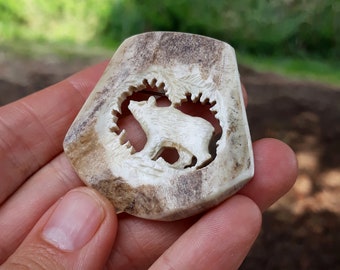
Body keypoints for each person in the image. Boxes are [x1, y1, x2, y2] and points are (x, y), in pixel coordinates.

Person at [0, 61, 298, 269]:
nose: (137, 110)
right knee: (183, 151)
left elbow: (157, 141)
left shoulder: (160, 120)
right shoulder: (153, 118)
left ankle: (198, 160)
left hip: (193, 134)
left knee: (190, 148)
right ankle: (189, 161)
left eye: (141, 107)